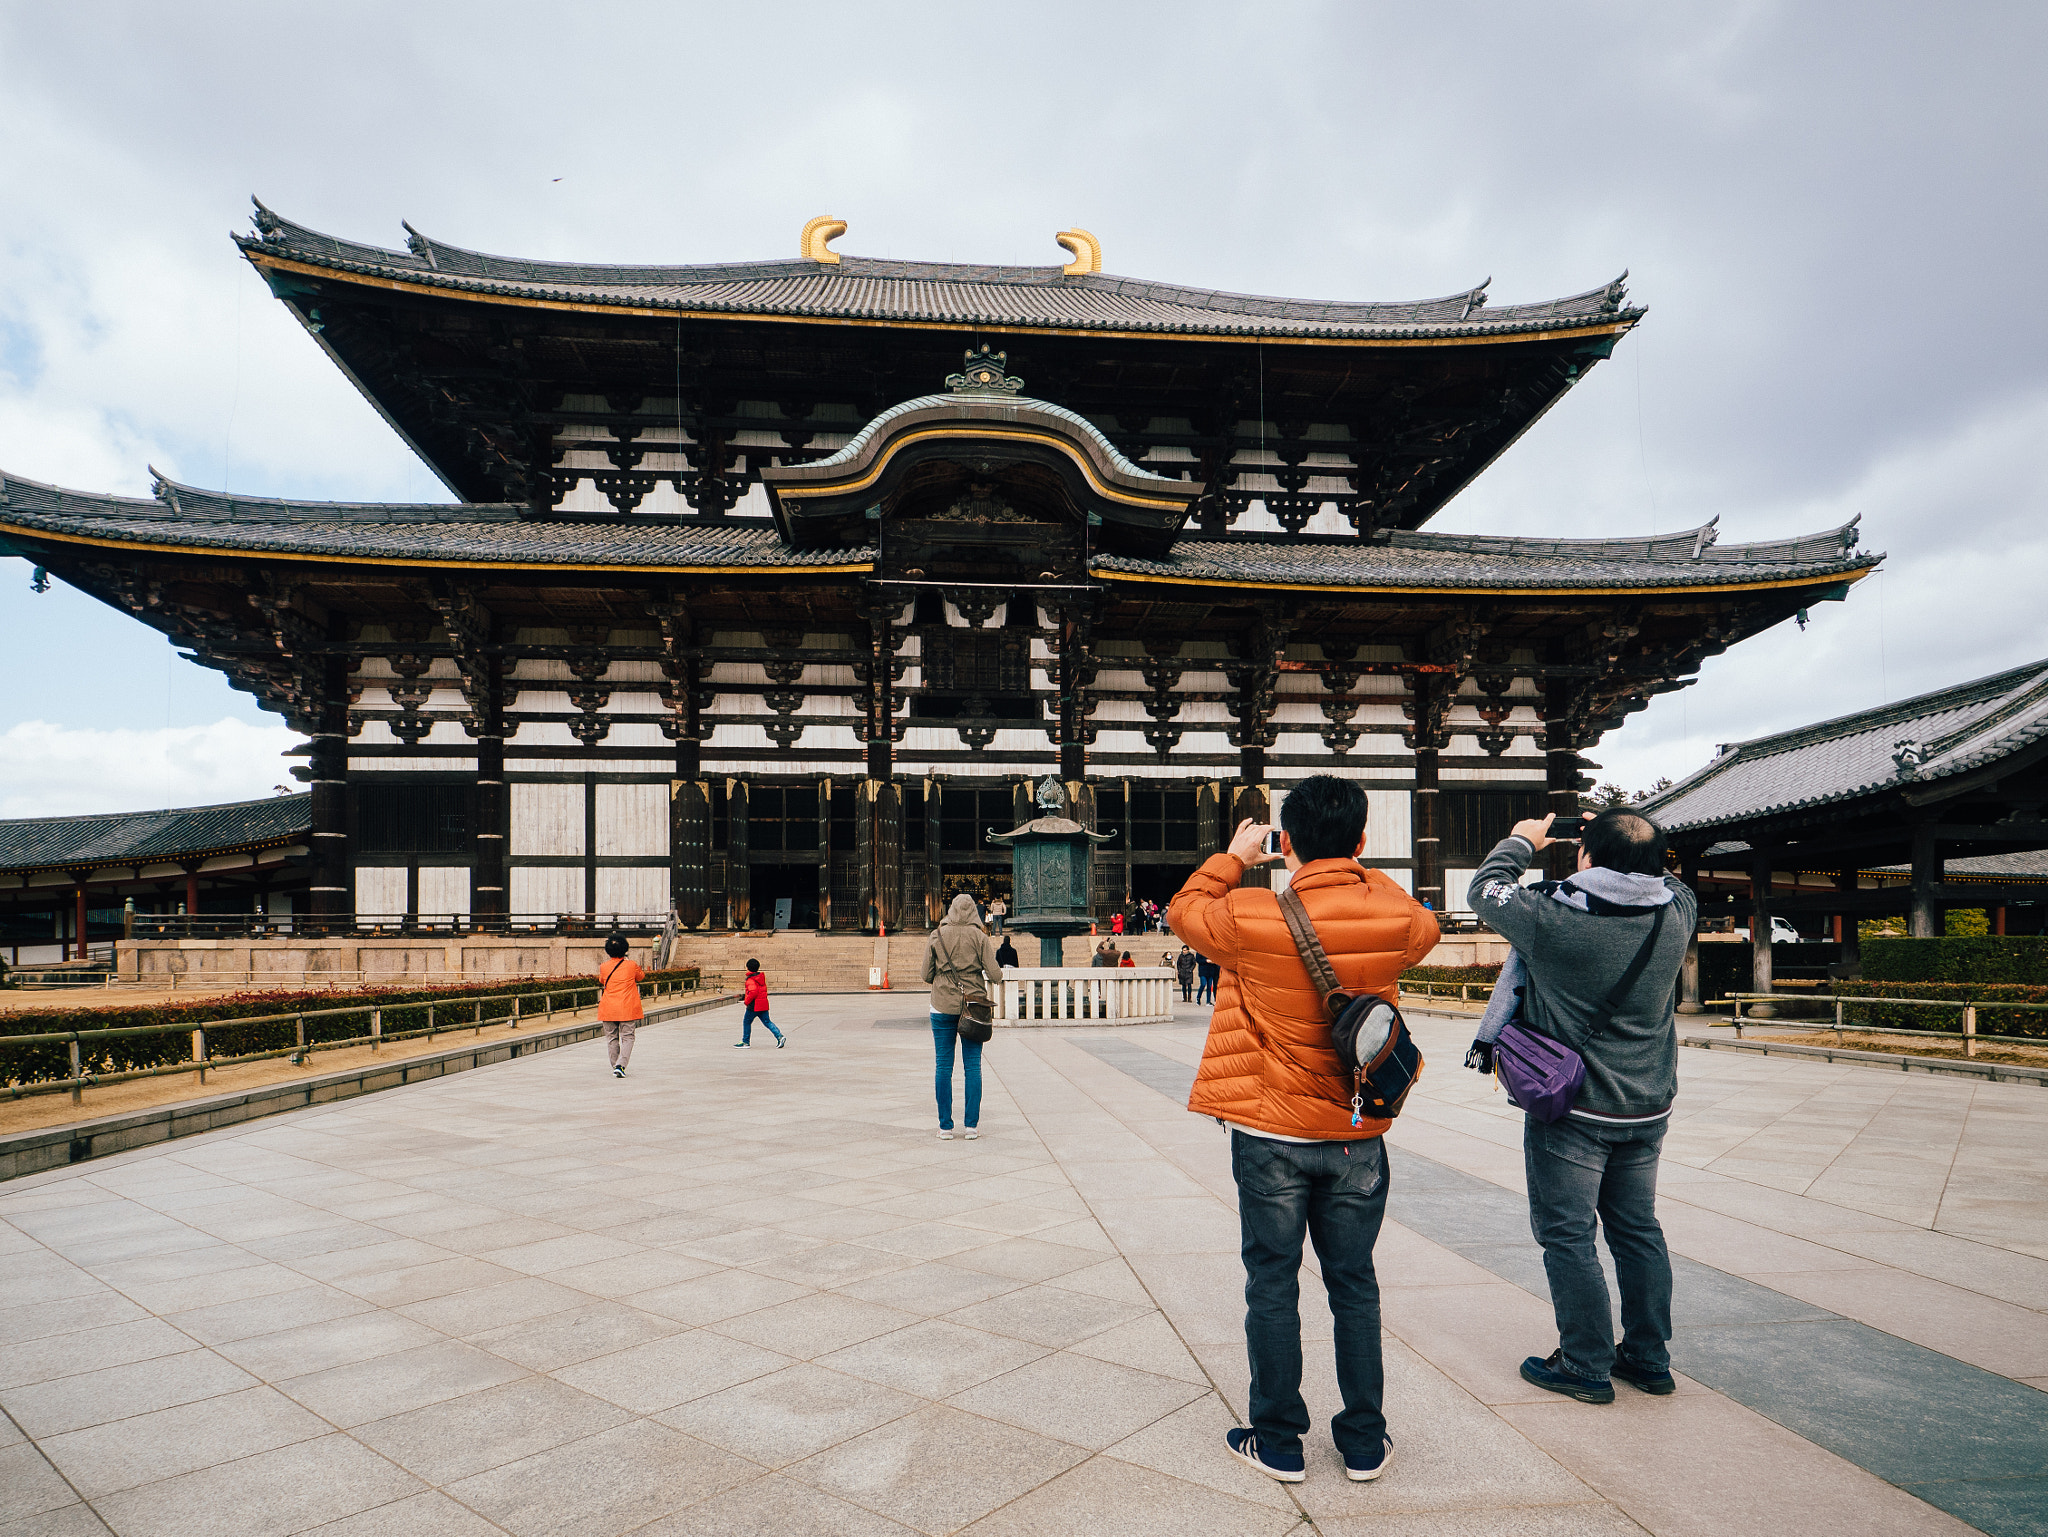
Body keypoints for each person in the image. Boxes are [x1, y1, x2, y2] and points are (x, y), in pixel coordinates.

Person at [1170, 774, 1438, 1486]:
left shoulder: (1250, 915)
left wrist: (1235, 854)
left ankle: (1280, 1439)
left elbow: (1184, 908)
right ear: (1359, 842)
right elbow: (1426, 925)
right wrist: (1355, 866)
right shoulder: (1391, 916)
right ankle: (1362, 1441)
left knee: (1272, 1282)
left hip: (1271, 1135)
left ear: (1285, 842)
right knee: (1354, 1283)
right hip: (1356, 1136)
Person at [1465, 809, 1694, 1405]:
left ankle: (1586, 1364)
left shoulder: (1552, 918)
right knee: (1638, 1231)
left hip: (1574, 1108)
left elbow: (1485, 888)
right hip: (1647, 1106)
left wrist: (1523, 839)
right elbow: (1672, 878)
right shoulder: (1677, 912)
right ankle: (1648, 1358)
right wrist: (1626, 829)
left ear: (1585, 858)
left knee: (1569, 1236)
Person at [922, 892, 1003, 1141]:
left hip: (942, 1005)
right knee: (973, 1067)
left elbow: (926, 974)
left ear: (951, 910)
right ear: (973, 913)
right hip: (973, 1006)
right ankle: (971, 1126)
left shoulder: (937, 935)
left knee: (943, 1066)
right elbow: (996, 974)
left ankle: (945, 1127)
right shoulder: (979, 936)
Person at [597, 933, 645, 1079]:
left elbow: (601, 980)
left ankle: (615, 1065)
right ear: (625, 949)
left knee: (611, 1038)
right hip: (627, 1007)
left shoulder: (604, 966)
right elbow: (641, 976)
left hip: (609, 1007)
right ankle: (620, 1065)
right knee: (628, 1037)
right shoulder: (631, 965)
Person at [737, 958, 786, 1048]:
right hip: (763, 1004)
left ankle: (745, 1041)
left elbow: (753, 992)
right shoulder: (760, 978)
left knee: (747, 1022)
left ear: (747, 968)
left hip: (754, 1006)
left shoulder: (750, 980)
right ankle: (779, 1036)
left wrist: (746, 1001)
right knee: (767, 1021)